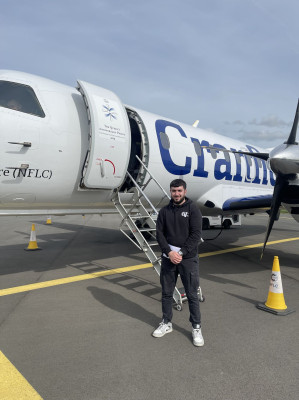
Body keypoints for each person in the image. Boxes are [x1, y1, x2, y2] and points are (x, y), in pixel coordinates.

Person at [152, 178, 204, 346]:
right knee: (166, 293)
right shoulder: (164, 211)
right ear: (171, 192)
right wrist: (169, 252)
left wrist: (180, 253)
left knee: (192, 294)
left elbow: (196, 235)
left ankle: (196, 327)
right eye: (174, 191)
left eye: (179, 191)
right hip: (169, 259)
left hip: (187, 259)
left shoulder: (193, 209)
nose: (176, 194)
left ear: (185, 192)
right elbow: (159, 234)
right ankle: (166, 323)